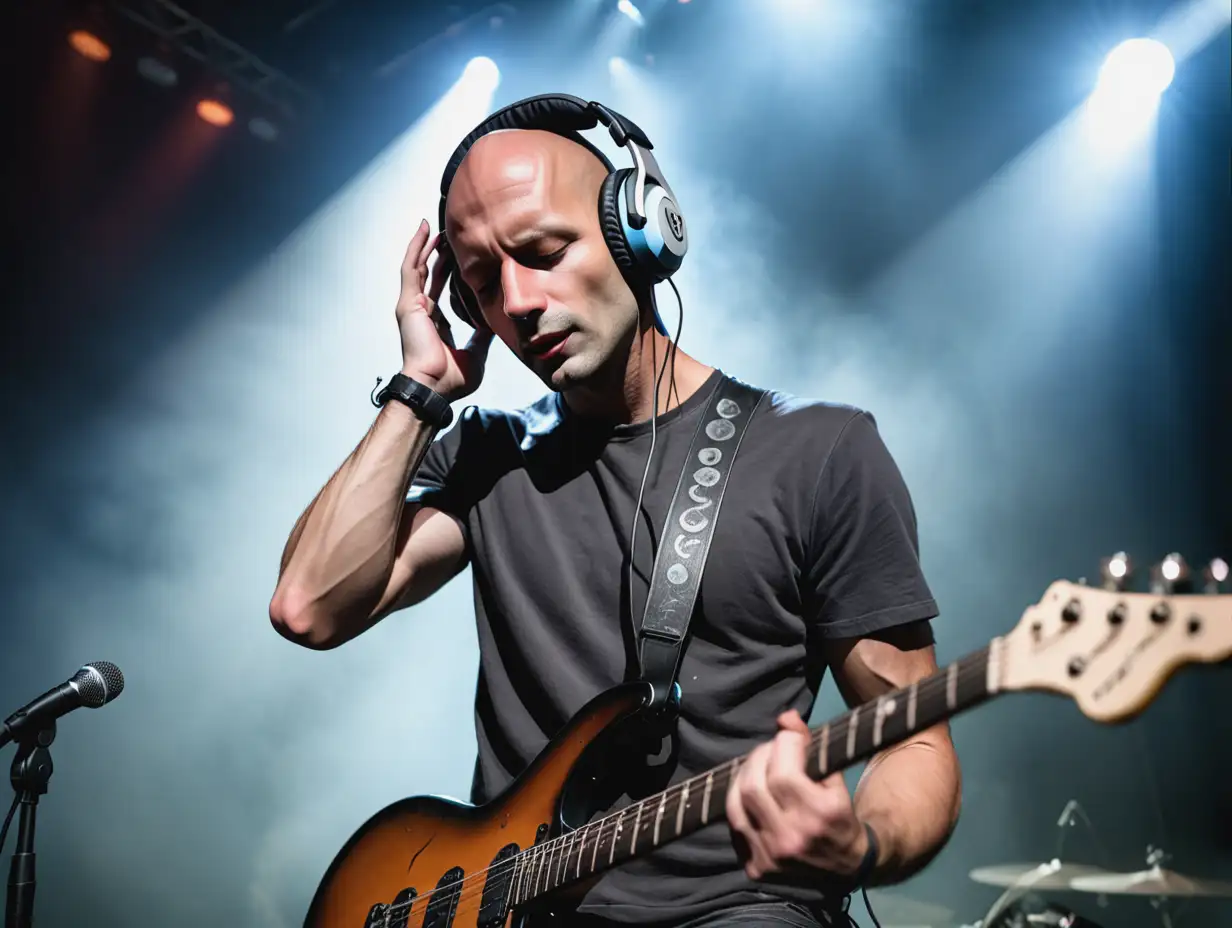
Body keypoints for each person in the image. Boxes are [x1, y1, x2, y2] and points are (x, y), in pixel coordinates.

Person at [269, 99, 962, 927]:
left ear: (642, 231)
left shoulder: (818, 452)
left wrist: (862, 843)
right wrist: (421, 392)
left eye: (544, 251)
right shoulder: (490, 457)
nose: (519, 301)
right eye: (484, 281)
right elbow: (308, 607)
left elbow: (913, 734)